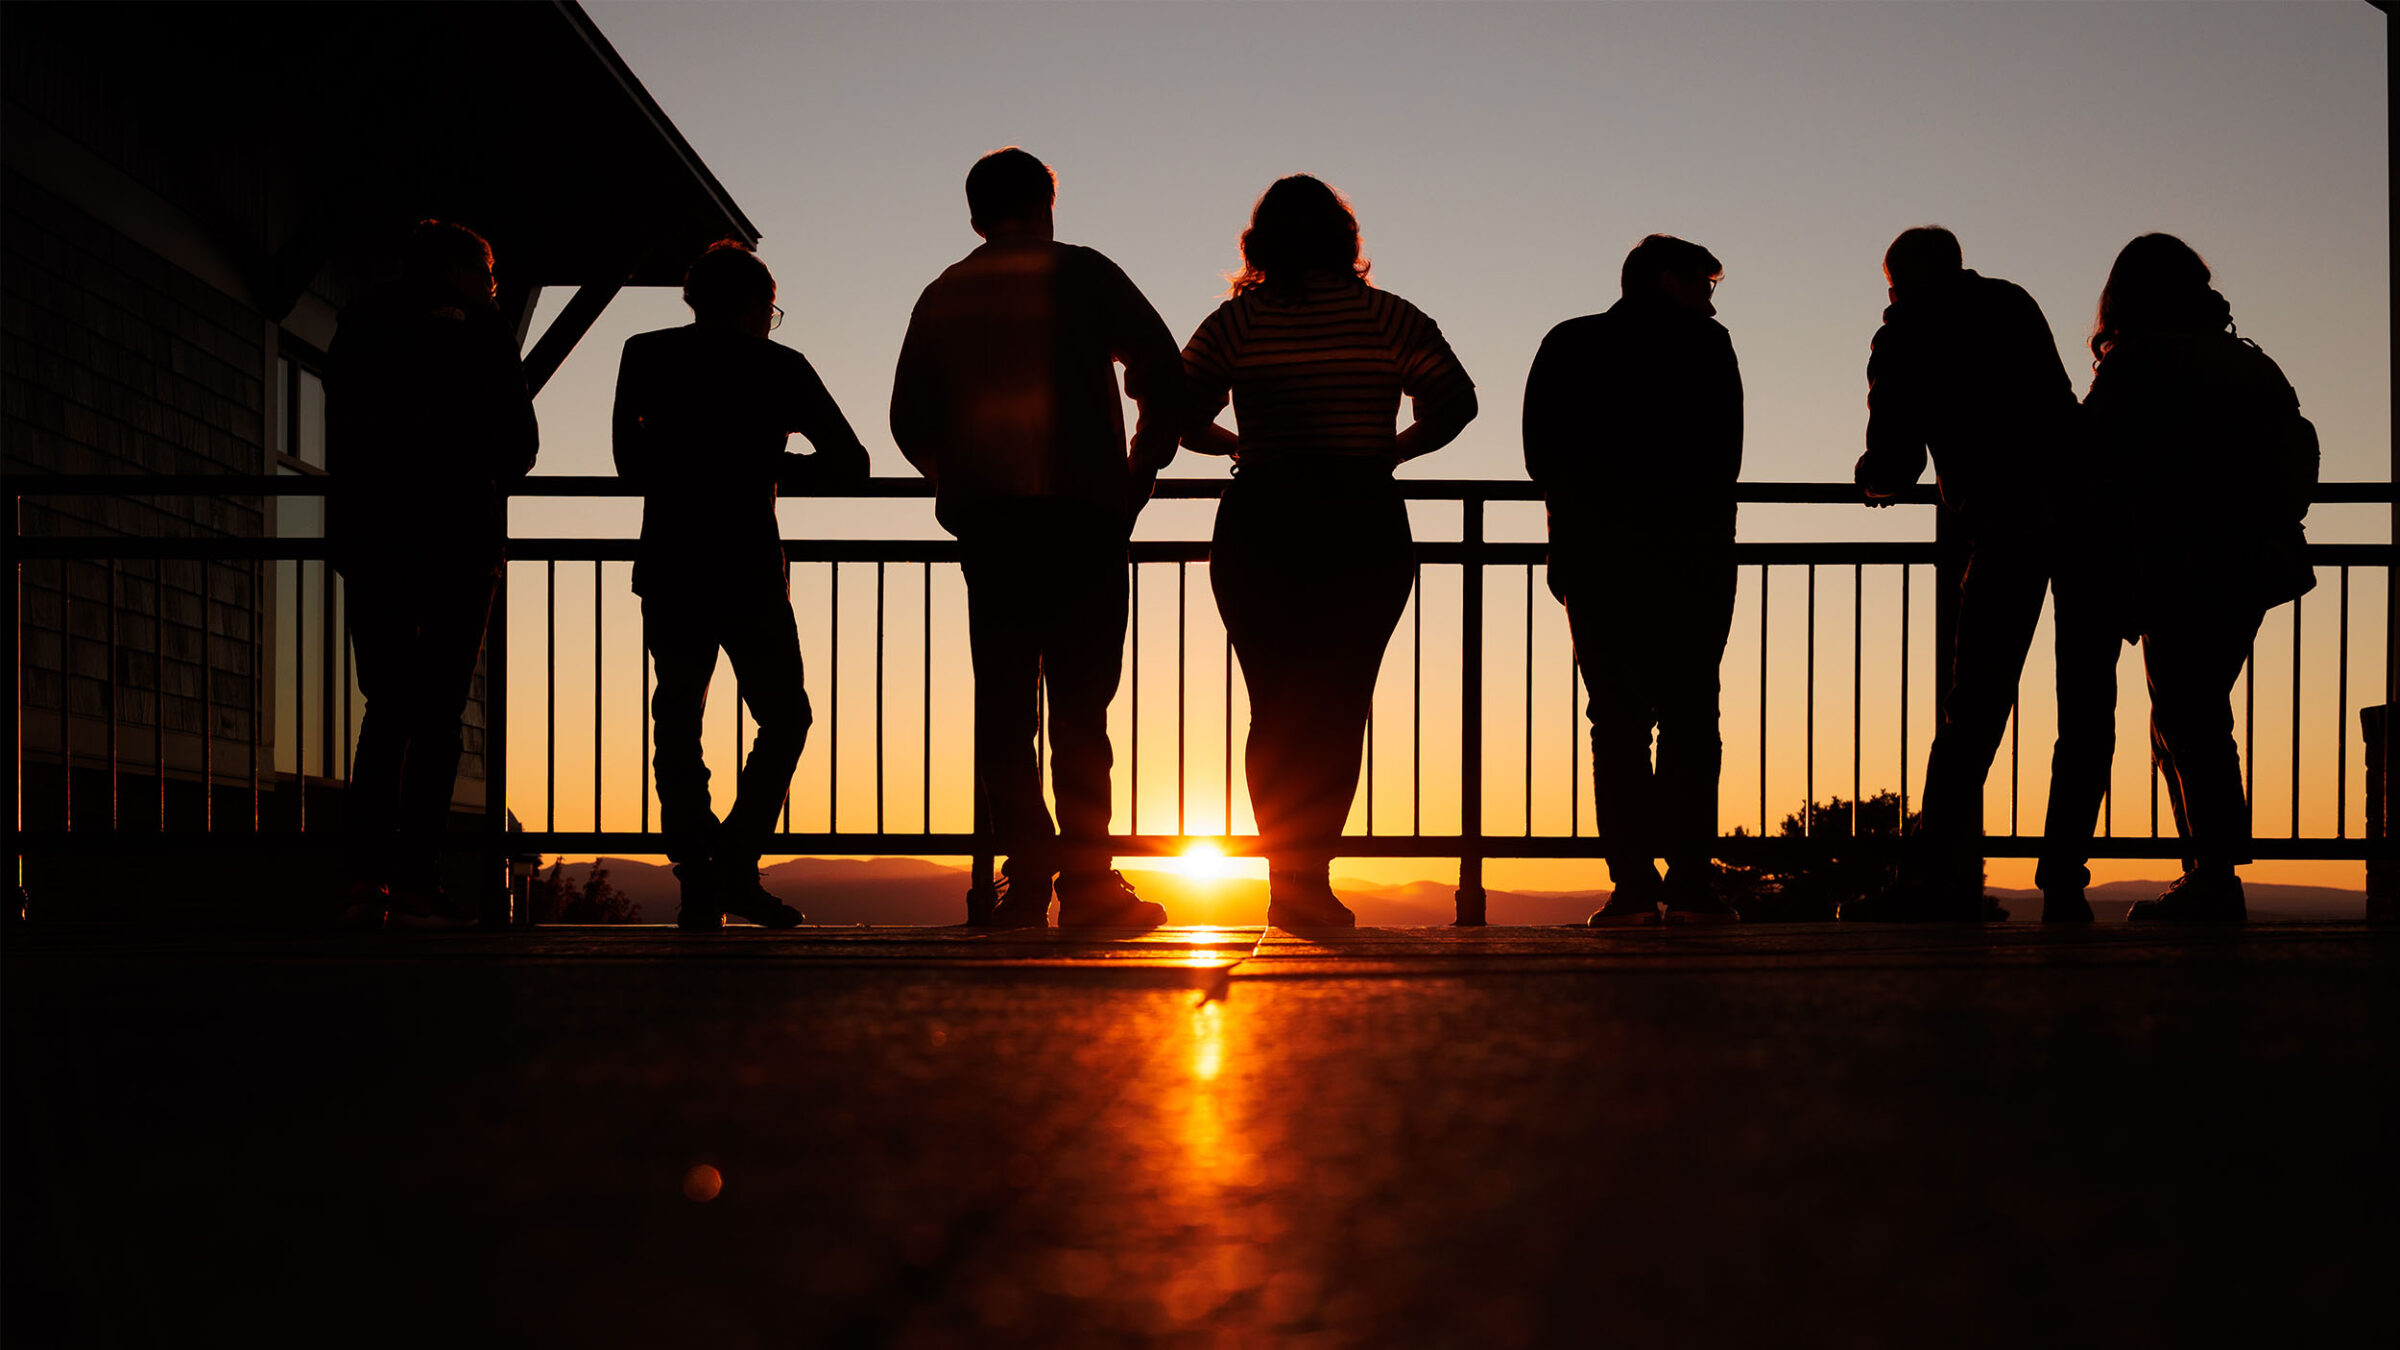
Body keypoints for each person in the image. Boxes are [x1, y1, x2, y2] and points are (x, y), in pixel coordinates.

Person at [891, 148, 1181, 928]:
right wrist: (1140, 468)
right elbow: (1162, 366)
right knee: (1083, 709)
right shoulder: (1084, 273)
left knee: (1006, 705)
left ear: (977, 215)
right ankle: (1088, 888)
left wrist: (958, 484)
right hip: (1086, 514)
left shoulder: (944, 293)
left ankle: (1025, 879)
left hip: (993, 521)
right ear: (1049, 203)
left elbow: (908, 420)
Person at [1182, 175, 1478, 929]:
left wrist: (1239, 444)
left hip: (1264, 518)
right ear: (1346, 239)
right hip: (1360, 517)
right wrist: (1390, 452)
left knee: (1273, 707)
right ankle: (1311, 874)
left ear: (1262, 244)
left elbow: (1179, 411)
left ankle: (1289, 879)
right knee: (1341, 704)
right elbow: (1457, 402)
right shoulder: (1387, 317)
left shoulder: (1238, 322)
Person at [1845, 226, 2105, 924]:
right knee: (2085, 707)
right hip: (2085, 518)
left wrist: (1873, 479)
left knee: (1975, 709)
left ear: (1896, 281)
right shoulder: (2012, 304)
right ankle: (2063, 884)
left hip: (2004, 524)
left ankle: (1933, 877)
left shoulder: (1905, 334)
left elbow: (1896, 462)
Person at [614, 240, 870, 929]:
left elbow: (628, 465)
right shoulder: (779, 366)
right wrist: (768, 469)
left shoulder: (646, 354)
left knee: (677, 718)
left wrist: (691, 463)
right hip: (749, 565)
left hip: (670, 559)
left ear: (694, 298)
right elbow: (852, 464)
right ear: (758, 305)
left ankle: (698, 876)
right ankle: (734, 864)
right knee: (786, 718)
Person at [2083, 234, 2317, 922]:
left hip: (2176, 558)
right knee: (2198, 711)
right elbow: (2295, 456)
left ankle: (2212, 876)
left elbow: (2091, 456)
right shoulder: (2248, 362)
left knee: (2185, 716)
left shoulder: (2140, 362)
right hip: (2253, 558)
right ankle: (2214, 869)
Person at [1523, 235, 1742, 926]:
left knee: (1615, 722)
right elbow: (1724, 455)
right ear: (1668, 282)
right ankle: (1690, 883)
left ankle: (1631, 887)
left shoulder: (1569, 343)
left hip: (1596, 555)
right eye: (1702, 285)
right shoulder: (1707, 349)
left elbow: (1539, 454)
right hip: (1691, 555)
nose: (1710, 301)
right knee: (1690, 716)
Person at [328, 219, 538, 929]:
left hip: (375, 536)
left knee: (386, 709)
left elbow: (346, 426)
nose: (491, 288)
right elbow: (521, 447)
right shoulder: (484, 331)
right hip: (458, 540)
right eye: (487, 275)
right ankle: (418, 879)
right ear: (458, 271)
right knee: (440, 715)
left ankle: (365, 883)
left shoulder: (362, 321)